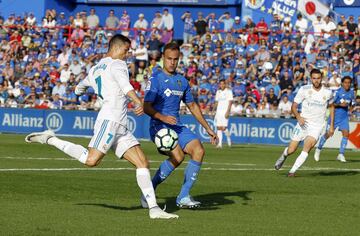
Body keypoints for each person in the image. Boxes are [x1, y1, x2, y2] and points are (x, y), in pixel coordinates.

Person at [24, 34, 178, 219]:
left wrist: (80, 90)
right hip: (110, 121)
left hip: (120, 125)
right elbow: (125, 86)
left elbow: (78, 88)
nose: (127, 55)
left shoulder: (95, 69)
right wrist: (138, 102)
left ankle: (153, 209)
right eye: (126, 50)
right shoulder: (117, 64)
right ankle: (50, 138)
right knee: (91, 160)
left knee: (142, 163)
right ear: (117, 48)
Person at [143, 42, 217, 208]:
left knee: (198, 150)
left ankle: (183, 196)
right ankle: (149, 190)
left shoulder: (182, 81)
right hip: (159, 126)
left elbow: (192, 106)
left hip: (176, 125)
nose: (172, 62)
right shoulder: (155, 79)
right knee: (178, 156)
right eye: (169, 59)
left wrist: (208, 128)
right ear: (163, 58)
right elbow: (146, 107)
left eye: (175, 59)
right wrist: (163, 117)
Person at [274, 69, 335, 176]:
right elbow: (294, 106)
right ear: (311, 79)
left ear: (321, 78)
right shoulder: (304, 89)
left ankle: (292, 171)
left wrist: (331, 126)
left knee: (307, 147)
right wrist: (298, 117)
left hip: (317, 126)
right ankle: (284, 155)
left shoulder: (328, 92)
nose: (316, 80)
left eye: (318, 78)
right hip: (303, 123)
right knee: (291, 150)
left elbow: (332, 107)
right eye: (314, 78)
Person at [314, 76, 355, 162]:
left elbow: (351, 102)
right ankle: (318, 149)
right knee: (328, 134)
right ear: (342, 83)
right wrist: (340, 105)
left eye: (349, 82)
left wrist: (351, 108)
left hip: (344, 117)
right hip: (334, 117)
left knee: (346, 134)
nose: (347, 84)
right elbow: (330, 104)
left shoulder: (351, 92)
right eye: (345, 82)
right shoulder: (337, 92)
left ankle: (341, 154)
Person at [213, 79, 233, 148]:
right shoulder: (218, 92)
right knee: (218, 127)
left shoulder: (229, 92)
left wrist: (228, 111)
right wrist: (213, 110)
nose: (221, 85)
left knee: (224, 128)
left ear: (225, 84)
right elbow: (216, 102)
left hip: (225, 111)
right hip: (218, 112)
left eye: (223, 84)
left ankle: (228, 138)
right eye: (220, 84)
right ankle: (220, 144)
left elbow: (230, 102)